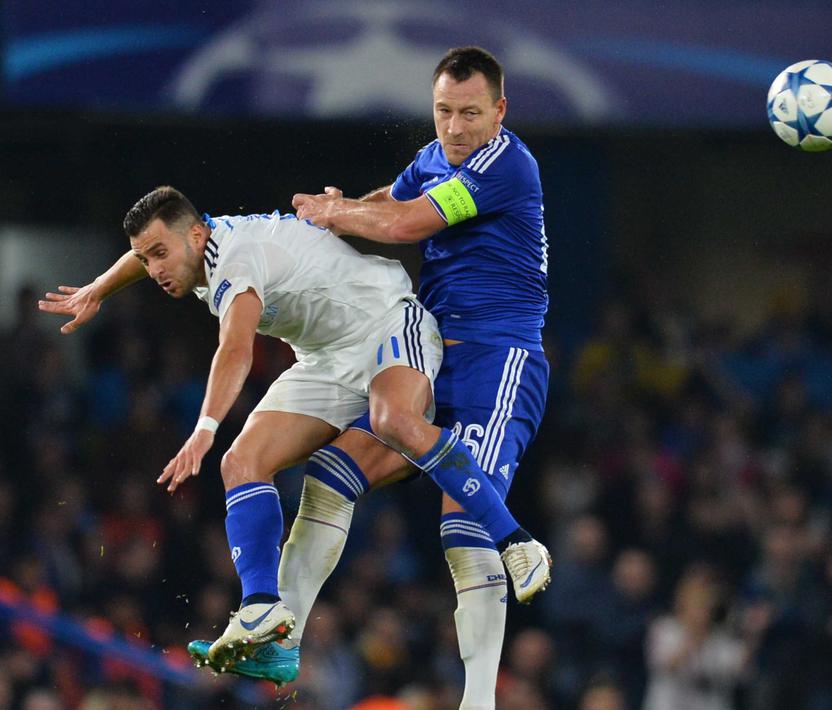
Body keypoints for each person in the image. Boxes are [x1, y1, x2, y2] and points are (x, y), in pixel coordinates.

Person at [37, 185, 550, 674]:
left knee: (393, 420)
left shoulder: (234, 261)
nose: (153, 270)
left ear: (195, 236)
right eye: (146, 259)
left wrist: (205, 426)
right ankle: (263, 610)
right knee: (242, 463)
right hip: (325, 360)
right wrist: (98, 288)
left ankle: (516, 542)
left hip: (388, 325)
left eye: (158, 255)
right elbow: (146, 249)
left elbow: (236, 348)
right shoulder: (193, 244)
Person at [259, 45, 552, 708]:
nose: (454, 127)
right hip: (432, 358)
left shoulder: (506, 163)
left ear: (499, 110)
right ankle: (282, 641)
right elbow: (384, 202)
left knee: (461, 526)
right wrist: (334, 212)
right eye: (444, 111)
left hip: (496, 360)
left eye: (470, 113)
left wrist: (343, 216)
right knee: (331, 477)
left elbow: (405, 223)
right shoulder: (432, 156)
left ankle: (478, 701)